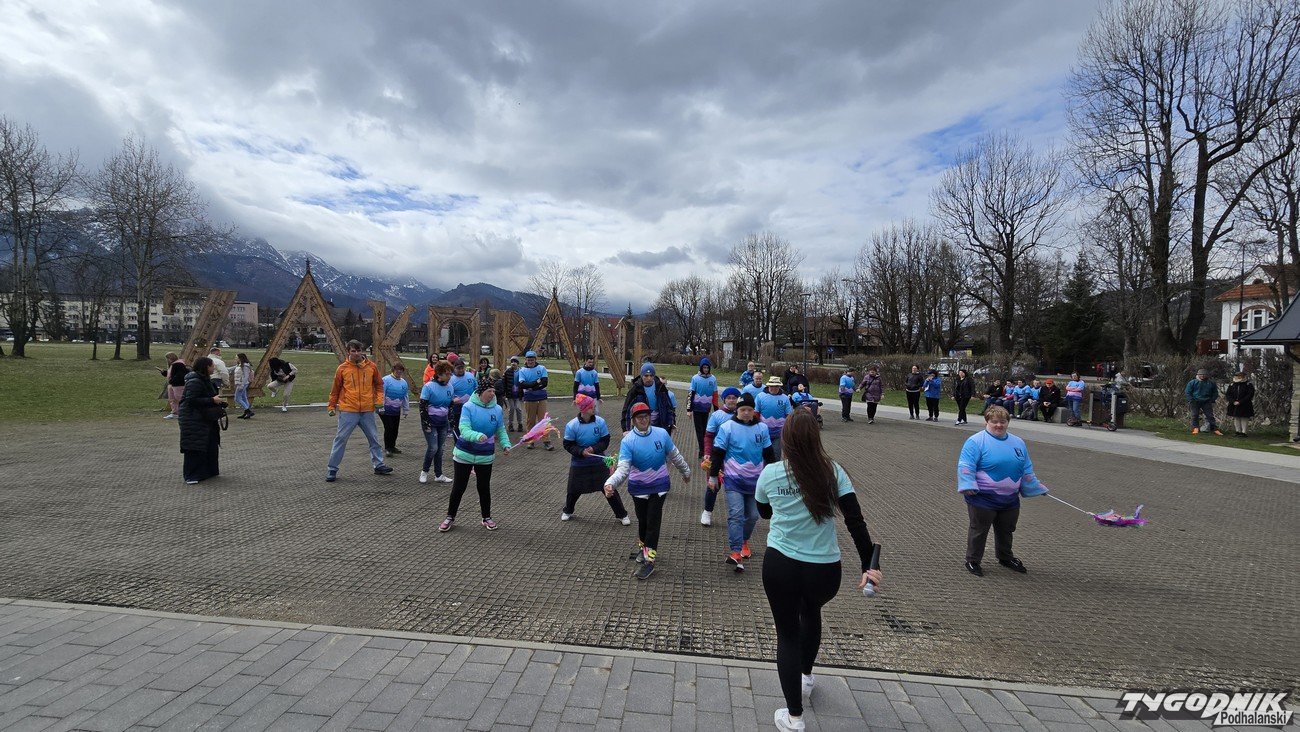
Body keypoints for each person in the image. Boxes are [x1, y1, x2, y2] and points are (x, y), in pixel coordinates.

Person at [756, 409, 881, 732]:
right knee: (811, 612)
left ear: (785, 439)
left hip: (781, 565)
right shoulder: (833, 472)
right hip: (824, 570)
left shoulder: (771, 473)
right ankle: (806, 678)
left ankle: (794, 717)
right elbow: (855, 520)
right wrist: (869, 564)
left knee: (787, 634)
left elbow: (764, 512)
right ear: (816, 437)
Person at [604, 402, 692, 580]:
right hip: (638, 488)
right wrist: (610, 483)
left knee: (653, 522)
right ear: (633, 420)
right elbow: (623, 468)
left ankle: (649, 561)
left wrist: (686, 471)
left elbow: (674, 455)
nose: (643, 420)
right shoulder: (628, 441)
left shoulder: (661, 434)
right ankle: (643, 548)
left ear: (650, 417)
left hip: (659, 486)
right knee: (643, 520)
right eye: (639, 417)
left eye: (646, 416)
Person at [958, 406, 1047, 576]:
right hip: (982, 498)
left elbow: (1026, 468)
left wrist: (1035, 487)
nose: (999, 425)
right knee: (979, 530)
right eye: (994, 422)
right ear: (987, 421)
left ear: (1008, 422)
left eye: (1003, 421)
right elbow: (966, 465)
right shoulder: (975, 441)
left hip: (1010, 499)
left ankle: (1005, 557)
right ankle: (973, 560)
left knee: (1007, 529)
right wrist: (967, 484)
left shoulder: (1018, 442)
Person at [708, 392, 775, 572]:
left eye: (749, 410)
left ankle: (744, 540)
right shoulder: (727, 427)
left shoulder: (762, 428)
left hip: (756, 482)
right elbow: (717, 453)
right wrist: (713, 476)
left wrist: (773, 477)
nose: (746, 413)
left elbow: (769, 454)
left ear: (754, 411)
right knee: (736, 514)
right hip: (733, 480)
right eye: (743, 409)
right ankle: (736, 551)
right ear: (737, 410)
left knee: (753, 516)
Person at [439, 379, 513, 532]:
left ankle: (486, 517)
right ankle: (450, 517)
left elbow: (500, 429)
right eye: (489, 391)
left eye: (494, 391)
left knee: (484, 487)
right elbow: (464, 429)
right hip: (464, 453)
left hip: (485, 455)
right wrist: (477, 436)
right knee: (459, 487)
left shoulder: (497, 409)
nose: (492, 394)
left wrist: (505, 444)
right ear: (480, 392)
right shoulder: (468, 407)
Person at [325, 340, 393, 482]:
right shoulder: (342, 369)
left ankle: (379, 465)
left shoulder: (371, 367)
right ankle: (332, 469)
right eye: (353, 351)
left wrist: (379, 401)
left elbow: (379, 385)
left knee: (374, 438)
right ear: (348, 352)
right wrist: (331, 406)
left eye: (358, 350)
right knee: (340, 439)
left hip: (367, 410)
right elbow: (335, 390)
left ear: (362, 351)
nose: (356, 353)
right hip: (348, 410)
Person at [562, 394, 630, 524]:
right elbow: (568, 445)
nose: (594, 408)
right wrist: (581, 451)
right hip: (579, 462)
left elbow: (605, 441)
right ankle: (568, 510)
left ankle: (622, 514)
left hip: (598, 461)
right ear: (583, 409)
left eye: (593, 406)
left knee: (608, 487)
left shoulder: (600, 422)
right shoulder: (572, 425)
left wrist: (593, 449)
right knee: (573, 489)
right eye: (591, 407)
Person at [178, 356, 225, 485]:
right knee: (195, 446)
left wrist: (217, 402)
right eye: (212, 365)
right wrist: (212, 400)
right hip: (193, 419)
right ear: (206, 367)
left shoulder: (206, 380)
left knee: (210, 444)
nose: (214, 368)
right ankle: (192, 475)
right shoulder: (195, 381)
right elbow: (191, 400)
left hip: (205, 418)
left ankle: (207, 471)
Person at [700, 387, 740, 526]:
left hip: (735, 458)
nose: (731, 400)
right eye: (728, 398)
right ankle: (707, 512)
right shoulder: (717, 415)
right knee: (713, 485)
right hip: (717, 456)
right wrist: (707, 453)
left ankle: (736, 516)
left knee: (736, 487)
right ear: (724, 400)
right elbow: (708, 436)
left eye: (734, 398)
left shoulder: (742, 414)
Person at [418, 360, 456, 484]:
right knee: (433, 448)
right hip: (431, 423)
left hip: (443, 423)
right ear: (439, 374)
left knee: (440, 449)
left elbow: (450, 406)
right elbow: (422, 406)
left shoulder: (450, 387)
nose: (449, 376)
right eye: (447, 374)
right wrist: (426, 423)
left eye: (450, 373)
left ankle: (438, 475)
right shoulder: (428, 386)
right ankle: (424, 471)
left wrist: (451, 422)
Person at [620, 363, 676, 434]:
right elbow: (627, 410)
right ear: (641, 376)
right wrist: (626, 429)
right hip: (642, 424)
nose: (649, 378)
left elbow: (669, 407)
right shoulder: (635, 390)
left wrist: (671, 422)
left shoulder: (660, 387)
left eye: (651, 376)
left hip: (660, 424)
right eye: (646, 376)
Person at [516, 350, 552, 450]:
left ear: (535, 359)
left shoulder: (542, 368)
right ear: (526, 360)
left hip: (541, 397)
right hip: (529, 398)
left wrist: (532, 387)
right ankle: (530, 441)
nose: (530, 361)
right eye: (529, 360)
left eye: (532, 359)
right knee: (530, 421)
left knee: (543, 421)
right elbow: (523, 384)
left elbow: (544, 382)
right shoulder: (522, 370)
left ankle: (546, 441)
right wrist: (537, 382)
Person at [757, 376, 794, 459]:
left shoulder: (785, 398)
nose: (773, 388)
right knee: (762, 455)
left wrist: (788, 430)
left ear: (779, 387)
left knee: (776, 455)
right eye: (771, 386)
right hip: (763, 432)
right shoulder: (760, 396)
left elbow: (789, 415)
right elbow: (756, 413)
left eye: (776, 386)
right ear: (768, 386)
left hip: (778, 433)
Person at [688, 358, 718, 457]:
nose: (706, 369)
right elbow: (691, 394)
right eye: (704, 367)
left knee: (705, 429)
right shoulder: (695, 378)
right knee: (699, 430)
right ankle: (702, 450)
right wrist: (689, 409)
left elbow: (715, 394)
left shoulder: (713, 379)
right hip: (697, 408)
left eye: (707, 368)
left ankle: (705, 449)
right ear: (701, 368)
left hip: (706, 409)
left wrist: (716, 409)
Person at [380, 362, 411, 457]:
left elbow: (405, 396)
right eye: (397, 370)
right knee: (389, 428)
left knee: (395, 429)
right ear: (393, 369)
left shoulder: (403, 382)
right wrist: (381, 407)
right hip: (385, 410)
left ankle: (392, 446)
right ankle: (388, 448)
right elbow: (381, 394)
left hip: (396, 410)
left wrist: (406, 409)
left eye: (401, 370)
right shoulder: (386, 380)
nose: (399, 372)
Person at [1185, 368, 1222, 436]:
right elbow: (1188, 392)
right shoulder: (1192, 382)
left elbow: (1215, 393)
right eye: (1201, 374)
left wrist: (1212, 399)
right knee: (1195, 415)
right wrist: (1191, 400)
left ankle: (1214, 429)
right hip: (1195, 401)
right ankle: (1196, 428)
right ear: (1198, 375)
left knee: (1210, 416)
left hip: (1206, 401)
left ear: (1207, 375)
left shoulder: (1211, 383)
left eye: (1204, 374)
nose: (1202, 376)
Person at [448, 358, 478, 440]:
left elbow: (476, 387)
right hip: (457, 406)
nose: (461, 370)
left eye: (462, 368)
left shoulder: (470, 375)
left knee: (470, 424)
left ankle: (470, 441)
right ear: (454, 368)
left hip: (471, 405)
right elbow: (447, 393)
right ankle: (458, 442)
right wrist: (453, 399)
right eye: (458, 368)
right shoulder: (450, 379)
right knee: (458, 425)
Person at [1225, 372, 1255, 437]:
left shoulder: (1248, 384)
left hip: (1245, 404)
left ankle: (1244, 432)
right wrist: (1233, 401)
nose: (1239, 377)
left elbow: (1250, 394)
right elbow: (1228, 394)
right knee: (1236, 418)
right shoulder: (1232, 384)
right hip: (1234, 404)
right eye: (1238, 376)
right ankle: (1238, 431)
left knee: (1244, 418)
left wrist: (1240, 401)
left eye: (1241, 376)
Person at [160, 353, 188, 419]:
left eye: (168, 359)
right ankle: (175, 412)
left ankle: (184, 412)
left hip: (178, 385)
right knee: (173, 399)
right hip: (173, 384)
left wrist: (172, 380)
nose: (167, 360)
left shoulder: (179, 364)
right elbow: (172, 374)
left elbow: (180, 375)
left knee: (179, 398)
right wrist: (164, 373)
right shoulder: (174, 365)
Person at [502, 356, 524, 431]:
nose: (513, 363)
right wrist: (504, 393)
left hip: (518, 394)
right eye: (512, 362)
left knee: (518, 408)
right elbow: (504, 383)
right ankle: (510, 424)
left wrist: (523, 393)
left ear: (517, 363)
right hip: (510, 393)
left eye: (515, 362)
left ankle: (520, 424)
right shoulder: (507, 372)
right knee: (511, 409)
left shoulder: (521, 371)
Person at [233, 352, 254, 419]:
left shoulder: (245, 366)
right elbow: (231, 369)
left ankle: (248, 411)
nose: (235, 358)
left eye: (236, 357)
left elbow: (246, 376)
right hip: (241, 383)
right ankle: (247, 412)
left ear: (240, 358)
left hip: (242, 384)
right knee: (244, 397)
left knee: (237, 398)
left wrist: (242, 385)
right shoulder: (239, 365)